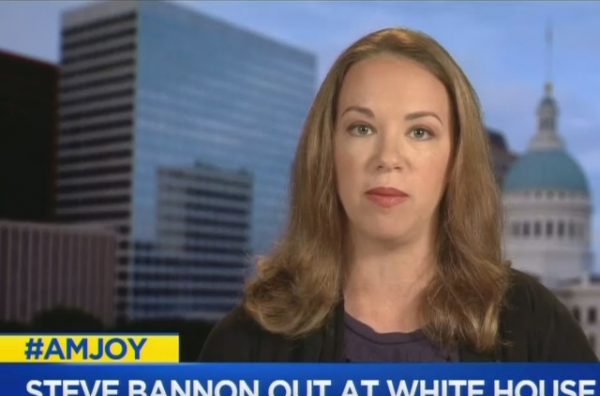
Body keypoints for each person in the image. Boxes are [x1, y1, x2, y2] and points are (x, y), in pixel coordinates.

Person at [199, 28, 597, 362]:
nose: (388, 158)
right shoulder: (247, 344)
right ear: (327, 152)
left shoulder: (534, 327)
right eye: (362, 128)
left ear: (456, 160)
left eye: (420, 132)